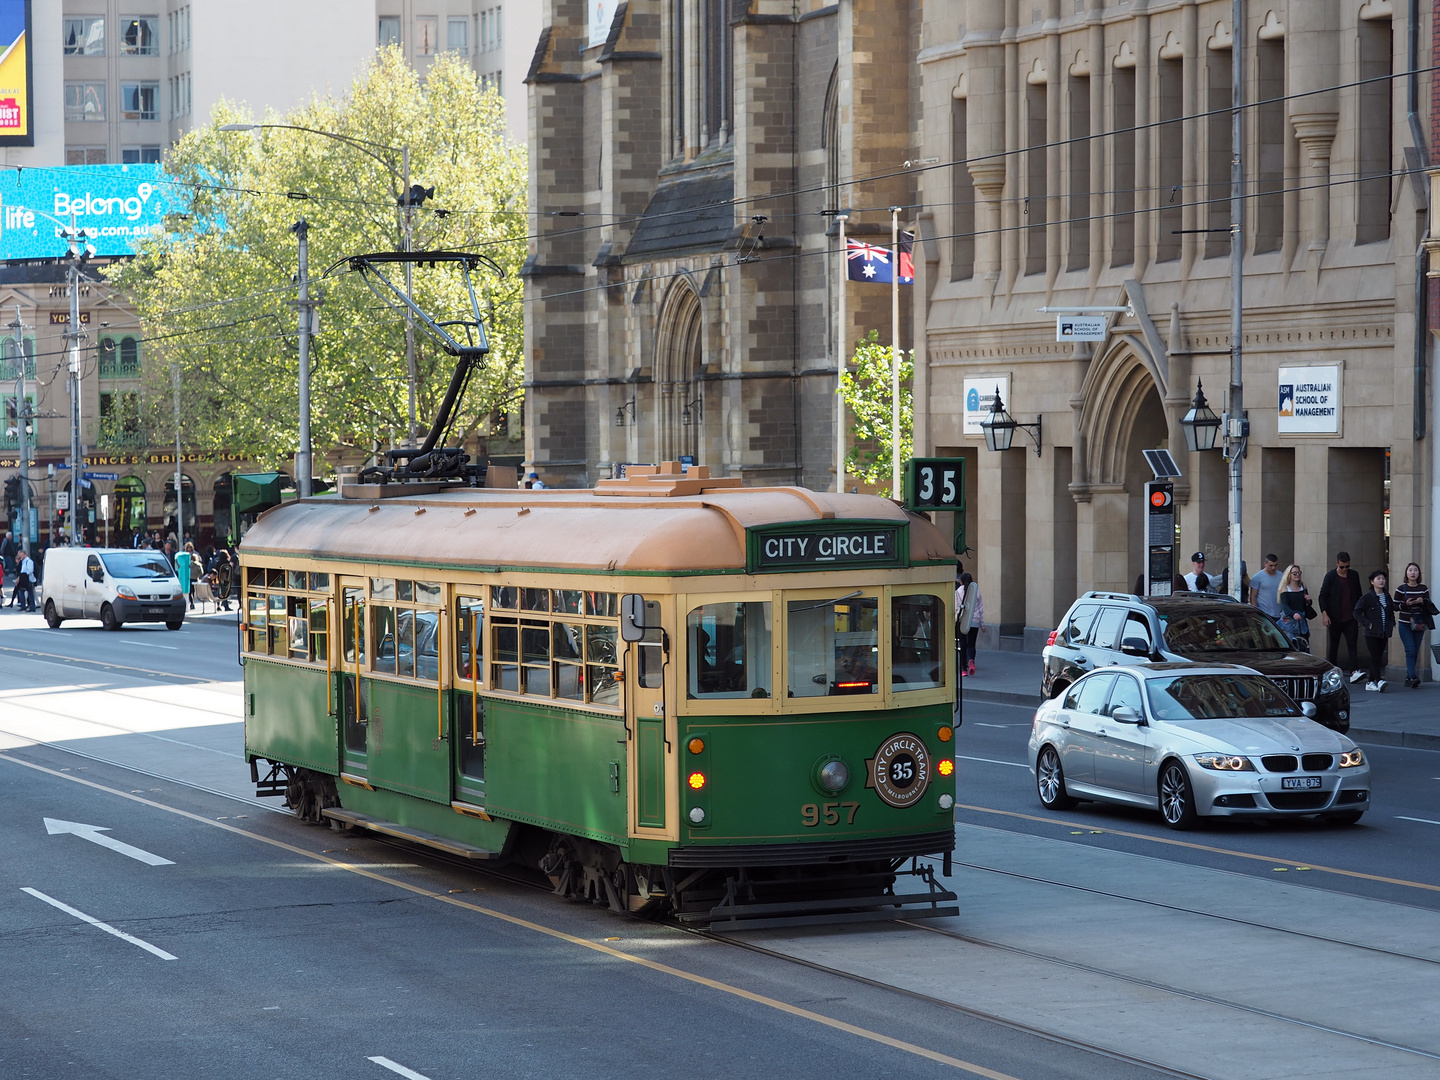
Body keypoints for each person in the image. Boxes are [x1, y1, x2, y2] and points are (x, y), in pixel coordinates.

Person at [1319, 551, 1365, 683]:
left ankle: (1354, 671)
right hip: (1334, 617)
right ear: (1337, 564)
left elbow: (1358, 595)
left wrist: (1359, 615)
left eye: (1347, 567)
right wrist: (1325, 614)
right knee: (1334, 645)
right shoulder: (1330, 577)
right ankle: (1331, 671)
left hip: (1351, 617)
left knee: (1352, 644)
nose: (1345, 570)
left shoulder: (1354, 576)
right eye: (1342, 567)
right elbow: (1322, 596)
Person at [1393, 562, 1435, 689]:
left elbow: (1429, 606)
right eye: (1410, 570)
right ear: (1406, 573)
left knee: (1415, 651)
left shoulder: (1423, 588)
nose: (1413, 573)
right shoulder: (1401, 589)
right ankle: (1412, 676)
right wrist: (1406, 604)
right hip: (1405, 623)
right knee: (1410, 649)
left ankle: (1408, 677)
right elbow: (1394, 606)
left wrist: (1423, 602)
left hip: (1419, 623)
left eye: (1415, 570)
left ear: (1419, 573)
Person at [1353, 570, 1394, 692]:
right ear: (1372, 582)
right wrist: (1367, 623)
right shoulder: (1367, 597)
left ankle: (1370, 682)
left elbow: (1391, 610)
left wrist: (1391, 622)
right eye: (1378, 579)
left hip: (1384, 631)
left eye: (1383, 579)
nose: (1381, 581)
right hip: (1371, 632)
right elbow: (1356, 612)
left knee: (1378, 656)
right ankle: (1379, 680)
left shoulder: (1387, 596)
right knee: (1375, 656)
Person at [1276, 564, 1315, 650]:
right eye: (1294, 573)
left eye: (1299, 573)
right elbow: (1285, 606)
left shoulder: (1302, 586)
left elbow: (1306, 604)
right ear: (1289, 575)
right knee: (1291, 647)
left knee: (1304, 645)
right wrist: (1293, 614)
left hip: (1301, 620)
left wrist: (1308, 600)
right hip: (1290, 621)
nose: (1297, 575)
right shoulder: (1285, 589)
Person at [955, 572, 982, 677]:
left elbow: (956, 607)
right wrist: (982, 624)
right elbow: (980, 609)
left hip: (962, 621)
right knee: (971, 644)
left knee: (963, 644)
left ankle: (963, 669)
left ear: (961, 581)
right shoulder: (977, 592)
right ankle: (971, 660)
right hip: (974, 621)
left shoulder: (958, 592)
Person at [1249, 554, 1284, 619]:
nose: (1273, 568)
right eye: (1270, 565)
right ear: (1265, 564)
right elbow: (1253, 596)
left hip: (1279, 614)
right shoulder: (1257, 577)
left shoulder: (1281, 575)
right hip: (1264, 613)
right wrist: (1256, 612)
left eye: (1275, 565)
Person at [13, 547, 35, 612]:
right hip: (23, 579)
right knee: (21, 592)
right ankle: (23, 606)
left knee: (30, 594)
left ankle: (31, 607)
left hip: (28, 579)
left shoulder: (29, 561)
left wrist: (24, 574)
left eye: (22, 555)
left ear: (25, 554)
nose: (21, 557)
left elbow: (30, 570)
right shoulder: (23, 562)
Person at [176, 542, 195, 609]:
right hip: (185, 576)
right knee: (188, 591)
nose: (189, 549)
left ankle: (192, 603)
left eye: (190, 547)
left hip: (192, 575)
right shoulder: (183, 555)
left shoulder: (194, 554)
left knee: (192, 590)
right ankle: (191, 603)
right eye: (188, 547)